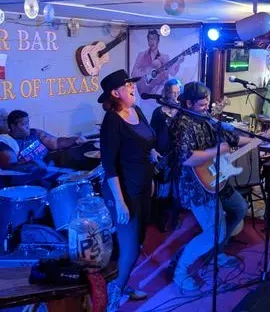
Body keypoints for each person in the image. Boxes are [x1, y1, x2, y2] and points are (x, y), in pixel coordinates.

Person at [169, 82, 260, 291]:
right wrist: (217, 151)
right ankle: (180, 271)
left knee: (239, 207)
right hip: (195, 185)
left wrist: (255, 140)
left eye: (207, 103)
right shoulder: (181, 123)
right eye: (202, 104)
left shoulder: (206, 118)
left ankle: (215, 253)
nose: (206, 107)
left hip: (217, 177)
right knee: (213, 232)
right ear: (188, 103)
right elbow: (187, 158)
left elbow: (230, 138)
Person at [98, 69, 159, 310]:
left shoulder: (138, 111)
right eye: (128, 85)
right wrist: (120, 202)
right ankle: (112, 297)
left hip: (143, 186)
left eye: (132, 84)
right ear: (116, 93)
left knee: (139, 240)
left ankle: (119, 283)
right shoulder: (112, 121)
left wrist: (152, 153)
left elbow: (146, 141)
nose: (133, 87)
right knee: (131, 247)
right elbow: (109, 165)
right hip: (123, 191)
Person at [0, 110, 86, 184]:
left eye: (28, 123)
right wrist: (35, 165)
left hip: (51, 173)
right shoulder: (5, 144)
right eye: (24, 124)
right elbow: (12, 172)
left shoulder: (35, 133)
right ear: (13, 127)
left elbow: (56, 143)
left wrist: (75, 139)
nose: (28, 127)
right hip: (33, 183)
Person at [150, 78, 182, 232]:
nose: (175, 96)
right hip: (161, 156)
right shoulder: (158, 112)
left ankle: (176, 218)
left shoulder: (183, 111)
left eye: (178, 92)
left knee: (177, 189)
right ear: (166, 93)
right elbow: (151, 134)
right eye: (172, 93)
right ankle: (160, 218)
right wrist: (152, 150)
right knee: (162, 189)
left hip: (177, 155)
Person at [131, 29, 184, 95]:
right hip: (144, 90)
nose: (152, 41)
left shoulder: (165, 57)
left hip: (159, 91)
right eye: (150, 39)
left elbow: (172, 72)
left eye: (154, 39)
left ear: (158, 41)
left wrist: (178, 62)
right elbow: (134, 73)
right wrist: (148, 70)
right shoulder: (141, 55)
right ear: (148, 41)